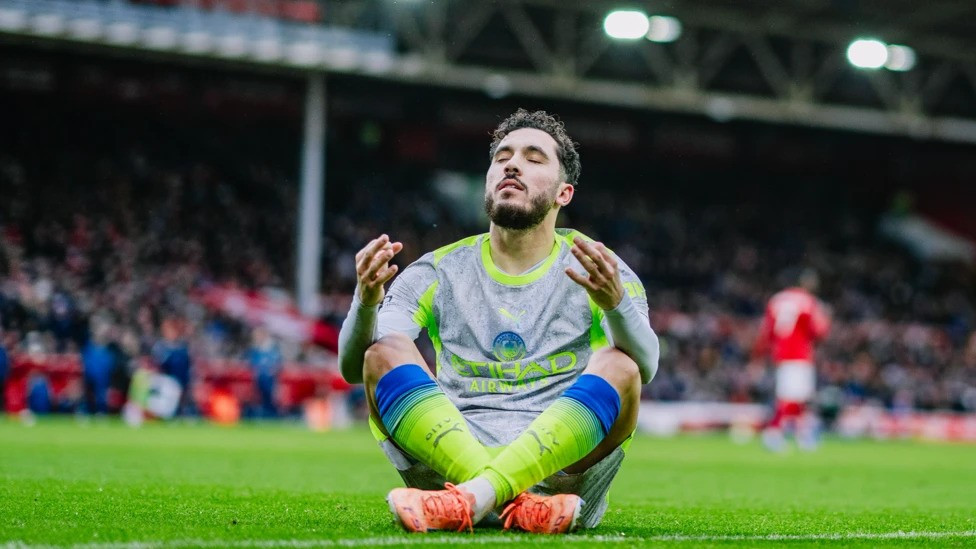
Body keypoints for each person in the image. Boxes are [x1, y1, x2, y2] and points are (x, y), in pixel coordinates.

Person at [338, 109, 659, 534]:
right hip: (450, 462)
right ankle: (507, 500)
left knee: (621, 366)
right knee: (383, 351)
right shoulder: (438, 270)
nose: (512, 165)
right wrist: (364, 302)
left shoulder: (596, 267)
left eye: (533, 158)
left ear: (564, 194)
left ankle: (474, 499)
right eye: (502, 157)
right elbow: (354, 368)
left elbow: (646, 367)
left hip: (560, 470)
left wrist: (616, 304)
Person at [752, 269, 831, 451]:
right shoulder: (807, 301)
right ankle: (773, 432)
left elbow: (768, 331)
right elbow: (819, 330)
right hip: (799, 354)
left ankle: (803, 435)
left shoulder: (776, 300)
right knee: (791, 398)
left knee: (797, 397)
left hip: (781, 354)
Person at [247, 327, 282, 418]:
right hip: (259, 379)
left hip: (269, 380)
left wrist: (271, 372)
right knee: (259, 398)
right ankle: (264, 415)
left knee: (270, 399)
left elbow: (276, 364)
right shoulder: (255, 350)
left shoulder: (271, 349)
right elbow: (252, 364)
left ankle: (272, 416)